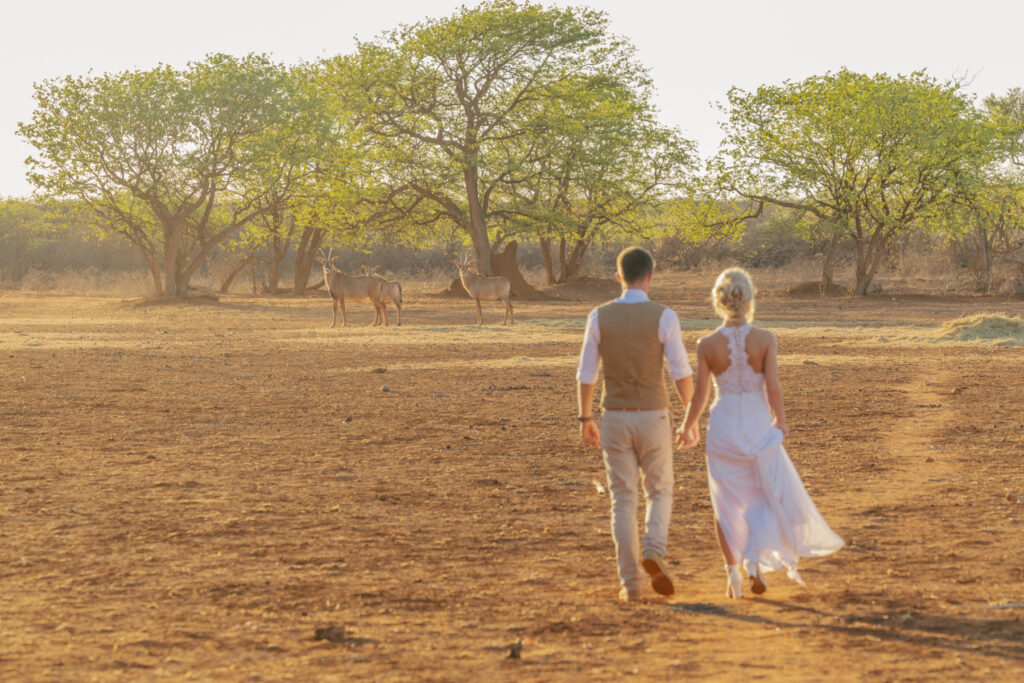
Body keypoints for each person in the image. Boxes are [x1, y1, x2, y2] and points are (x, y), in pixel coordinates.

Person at [678, 267, 843, 598]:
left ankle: (732, 574)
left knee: (725, 503)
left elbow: (700, 395)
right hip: (755, 425)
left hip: (723, 427)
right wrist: (779, 421)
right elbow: (773, 388)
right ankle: (754, 563)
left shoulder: (707, 344)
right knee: (760, 499)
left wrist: (688, 425)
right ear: (749, 299)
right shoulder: (765, 339)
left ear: (719, 301)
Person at [576, 246, 694, 602]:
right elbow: (680, 371)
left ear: (618, 277)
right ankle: (653, 550)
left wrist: (585, 417)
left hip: (614, 417)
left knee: (622, 500)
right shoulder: (665, 316)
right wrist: (690, 418)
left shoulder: (599, 316)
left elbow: (586, 373)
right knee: (659, 490)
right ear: (651, 277)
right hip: (654, 415)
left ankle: (630, 585)